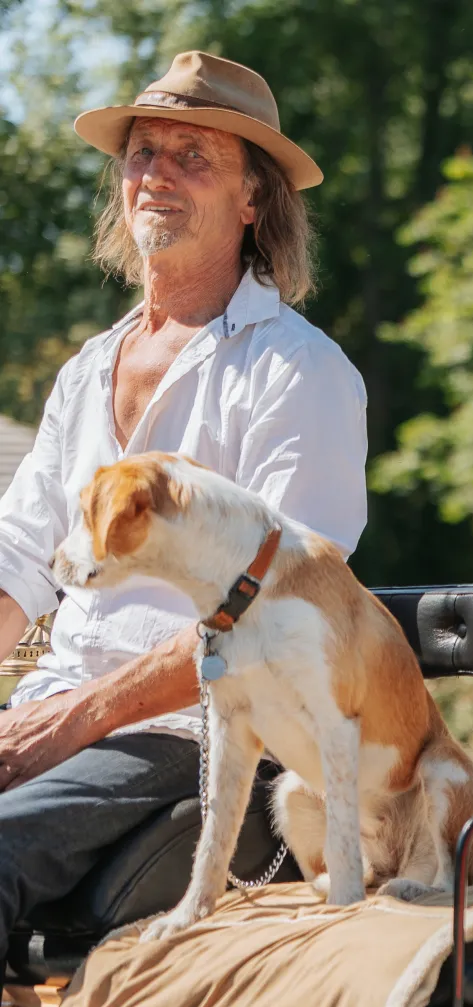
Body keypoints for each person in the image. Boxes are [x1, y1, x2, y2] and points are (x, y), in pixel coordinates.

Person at [0, 52, 366, 947]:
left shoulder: (299, 372)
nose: (157, 174)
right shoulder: (86, 371)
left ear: (253, 200)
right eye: (143, 153)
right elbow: (18, 559)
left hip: (194, 734)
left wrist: (66, 722)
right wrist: (43, 719)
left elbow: (268, 611)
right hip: (60, 710)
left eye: (193, 157)